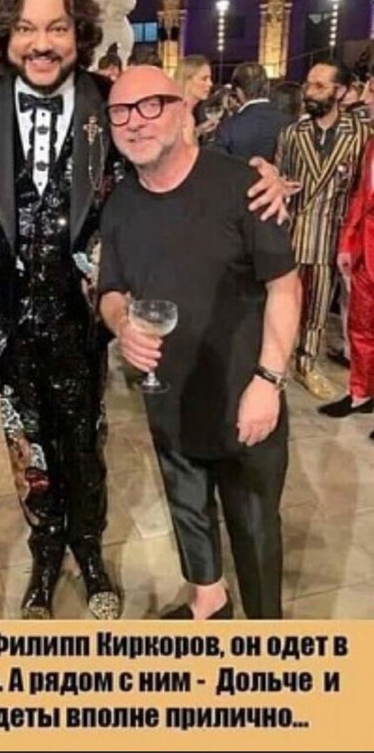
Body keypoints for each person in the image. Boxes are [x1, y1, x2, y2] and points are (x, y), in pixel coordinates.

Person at [0, 0, 288, 621]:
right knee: (27, 452)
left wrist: (260, 173)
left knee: (86, 447)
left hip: (87, 325)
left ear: (78, 32)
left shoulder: (108, 103)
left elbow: (169, 157)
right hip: (8, 327)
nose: (42, 43)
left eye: (57, 28)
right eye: (26, 28)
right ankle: (45, 555)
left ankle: (89, 552)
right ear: (7, 34)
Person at [98, 65, 301, 619]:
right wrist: (121, 323)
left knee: (254, 530)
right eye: (121, 112)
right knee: (188, 509)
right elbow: (111, 289)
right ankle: (210, 602)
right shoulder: (119, 205)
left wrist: (268, 380)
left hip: (245, 397)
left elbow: (285, 286)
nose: (135, 122)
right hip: (169, 398)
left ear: (182, 108)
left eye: (151, 105)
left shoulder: (243, 185)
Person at [275, 61, 370, 399]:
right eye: (308, 84)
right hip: (292, 232)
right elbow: (278, 178)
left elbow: (361, 192)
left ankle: (307, 363)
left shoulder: (361, 136)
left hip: (332, 234)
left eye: (319, 86)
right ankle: (276, 363)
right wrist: (280, 187)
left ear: (340, 92)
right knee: (282, 302)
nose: (309, 92)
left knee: (318, 306)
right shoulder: (291, 134)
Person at [319, 135, 374, 433]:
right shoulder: (371, 144)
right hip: (366, 250)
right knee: (360, 326)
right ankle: (361, 393)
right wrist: (347, 243)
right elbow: (360, 197)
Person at [213, 62, 292, 162]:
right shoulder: (290, 123)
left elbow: (219, 165)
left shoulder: (227, 127)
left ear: (239, 91)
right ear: (267, 86)